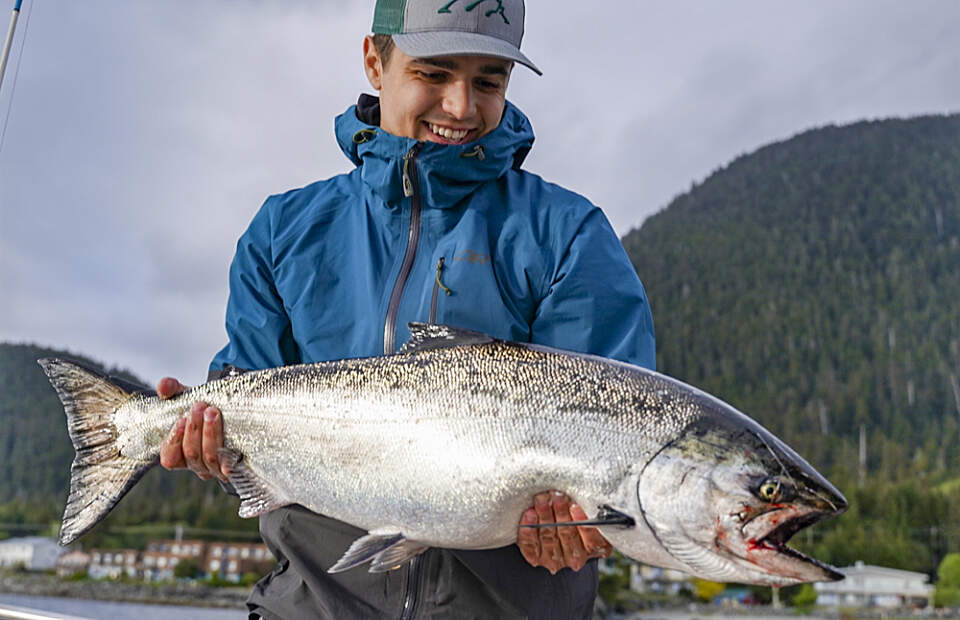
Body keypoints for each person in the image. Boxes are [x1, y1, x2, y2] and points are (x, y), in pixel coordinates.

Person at [157, 1, 655, 617]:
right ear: (375, 60)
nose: (461, 107)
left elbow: (617, 447)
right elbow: (248, 404)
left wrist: (584, 524)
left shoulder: (570, 234)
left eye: (488, 81)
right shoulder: (282, 232)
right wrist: (211, 443)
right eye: (434, 73)